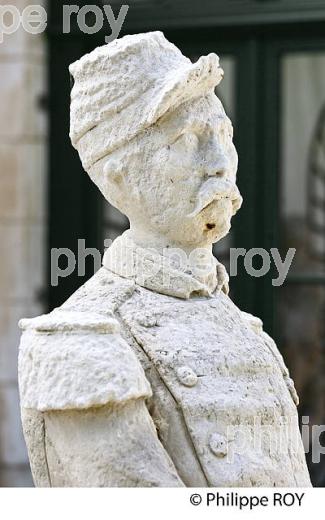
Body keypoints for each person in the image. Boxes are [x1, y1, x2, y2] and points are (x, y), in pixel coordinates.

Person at [18, 31, 311, 487]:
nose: (220, 161)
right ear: (119, 179)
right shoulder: (80, 342)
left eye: (222, 134)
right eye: (189, 138)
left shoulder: (244, 328)